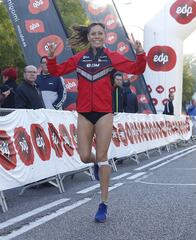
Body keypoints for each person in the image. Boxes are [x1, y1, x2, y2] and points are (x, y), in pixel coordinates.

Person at [46, 22, 146, 223]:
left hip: (103, 113)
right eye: (94, 33)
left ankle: (103, 203)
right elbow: (56, 71)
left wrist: (140, 52)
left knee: (102, 156)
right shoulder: (79, 57)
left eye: (101, 33)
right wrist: (50, 58)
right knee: (84, 156)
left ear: (105, 36)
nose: (97, 36)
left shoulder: (111, 56)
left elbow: (137, 68)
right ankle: (98, 165)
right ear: (89, 36)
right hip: (83, 113)